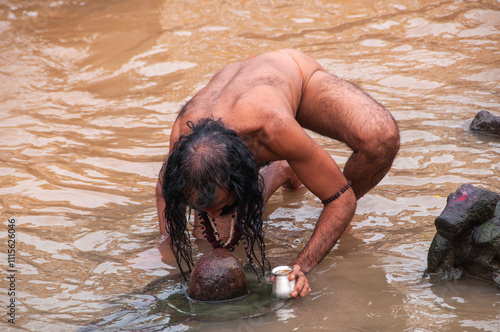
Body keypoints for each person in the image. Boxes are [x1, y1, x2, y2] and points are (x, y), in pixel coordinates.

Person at [156, 49, 400, 298]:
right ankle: (285, 168)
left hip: (293, 75)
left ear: (243, 177)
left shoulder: (271, 128)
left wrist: (302, 265)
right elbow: (164, 188)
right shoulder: (183, 138)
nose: (208, 215)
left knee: (381, 138)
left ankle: (308, 186)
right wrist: (166, 242)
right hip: (235, 85)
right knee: (213, 241)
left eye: (218, 206)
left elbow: (342, 198)